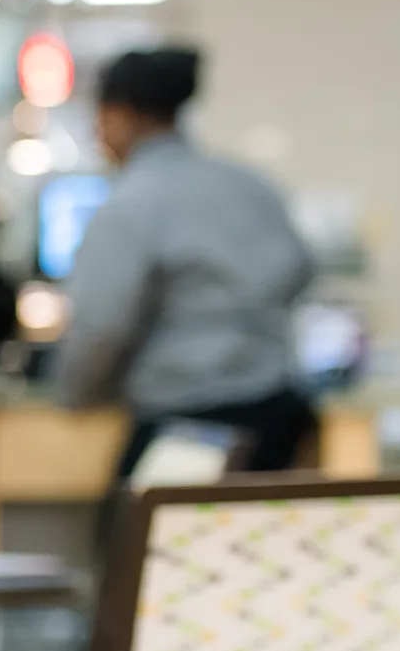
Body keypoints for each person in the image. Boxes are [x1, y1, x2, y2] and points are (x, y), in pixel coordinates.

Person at [54, 47, 317, 478]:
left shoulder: (131, 203)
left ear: (122, 114)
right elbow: (301, 271)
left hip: (186, 426)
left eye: (98, 117)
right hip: (278, 416)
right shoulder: (250, 186)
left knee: (137, 540)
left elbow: (101, 325)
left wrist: (73, 395)